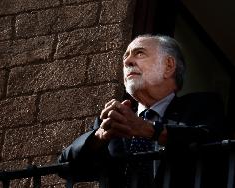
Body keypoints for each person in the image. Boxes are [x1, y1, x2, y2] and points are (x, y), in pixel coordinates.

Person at [58, 34, 226, 188]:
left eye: (139, 53)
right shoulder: (112, 121)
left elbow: (209, 142)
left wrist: (147, 129)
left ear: (168, 66)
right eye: (126, 56)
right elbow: (64, 168)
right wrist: (99, 137)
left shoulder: (201, 105)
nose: (127, 61)